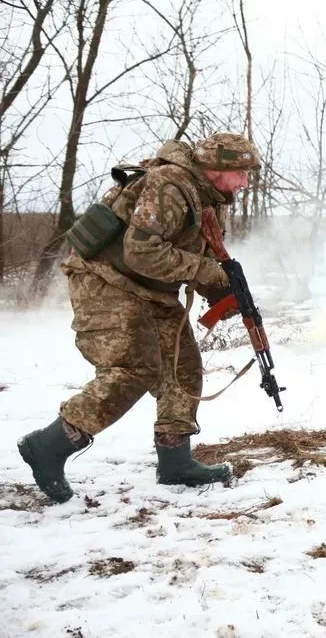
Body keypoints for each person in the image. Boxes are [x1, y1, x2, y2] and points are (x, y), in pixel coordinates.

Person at [17, 132, 261, 503]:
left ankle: (175, 461)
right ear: (217, 168)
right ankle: (50, 446)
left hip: (152, 289)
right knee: (134, 367)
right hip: (105, 279)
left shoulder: (211, 197)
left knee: (182, 366)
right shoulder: (170, 186)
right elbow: (141, 253)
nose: (245, 182)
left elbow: (192, 253)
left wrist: (223, 291)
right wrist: (208, 273)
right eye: (241, 173)